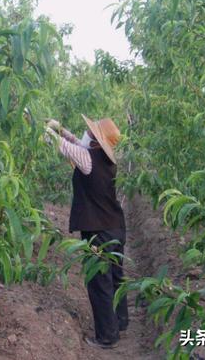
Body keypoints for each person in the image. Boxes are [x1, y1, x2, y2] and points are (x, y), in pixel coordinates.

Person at [44, 115, 128, 349]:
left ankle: (107, 336)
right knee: (115, 277)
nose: (87, 133)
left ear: (97, 142)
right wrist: (60, 127)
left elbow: (66, 147)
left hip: (98, 230)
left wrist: (45, 130)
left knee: (99, 282)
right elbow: (76, 142)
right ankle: (120, 322)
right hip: (116, 227)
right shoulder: (107, 159)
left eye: (92, 133)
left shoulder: (88, 158)